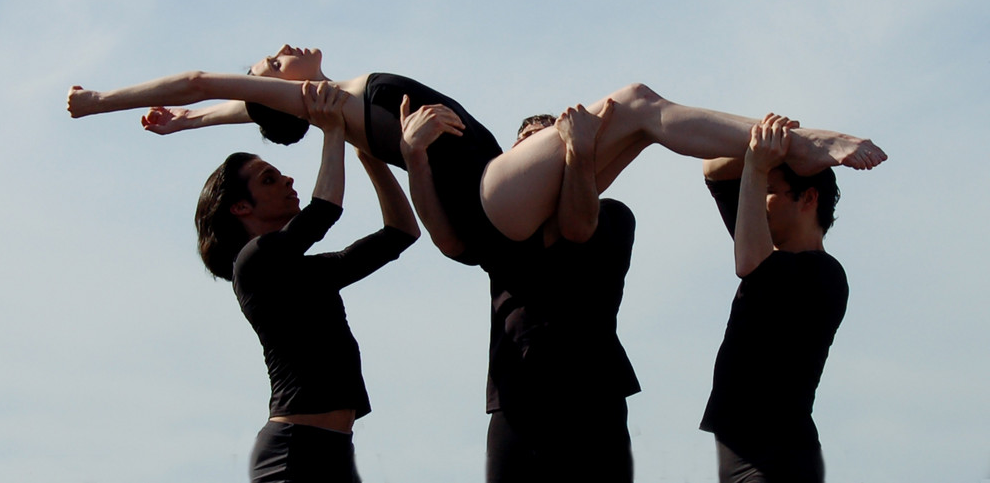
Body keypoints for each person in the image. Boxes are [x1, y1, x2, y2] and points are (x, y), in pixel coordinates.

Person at [67, 44, 887, 256]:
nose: (282, 50)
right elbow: (203, 78)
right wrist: (108, 101)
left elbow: (239, 109)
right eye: (269, 65)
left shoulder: (339, 103)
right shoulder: (328, 101)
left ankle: (781, 141)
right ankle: (798, 140)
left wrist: (187, 127)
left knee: (639, 113)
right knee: (633, 102)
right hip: (488, 194)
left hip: (500, 196)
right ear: (271, 89)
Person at [399, 104, 639, 482]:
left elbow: (577, 226)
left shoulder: (614, 215)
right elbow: (446, 237)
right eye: (523, 145)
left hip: (592, 396)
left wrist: (579, 154)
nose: (532, 152)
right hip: (516, 397)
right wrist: (414, 156)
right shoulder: (500, 231)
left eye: (544, 142)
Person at [197, 81, 420, 482]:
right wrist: (333, 129)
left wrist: (369, 156)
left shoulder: (304, 274)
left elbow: (401, 233)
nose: (287, 182)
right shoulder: (252, 263)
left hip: (332, 451)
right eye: (269, 179)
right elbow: (324, 211)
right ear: (241, 207)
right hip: (293, 453)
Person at [700, 114, 849, 483]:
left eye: (768, 189)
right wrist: (777, 142)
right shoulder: (768, 250)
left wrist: (755, 164)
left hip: (779, 458)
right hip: (743, 453)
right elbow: (713, 169)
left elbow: (749, 263)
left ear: (808, 198)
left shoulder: (824, 275)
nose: (756, 197)